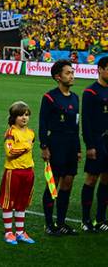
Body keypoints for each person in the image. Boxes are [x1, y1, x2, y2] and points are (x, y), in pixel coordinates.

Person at [40, 59, 81, 236]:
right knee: (53, 184)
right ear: (58, 77)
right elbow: (42, 124)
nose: (72, 76)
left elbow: (76, 125)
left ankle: (62, 222)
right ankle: (49, 224)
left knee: (68, 182)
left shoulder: (75, 98)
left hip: (72, 144)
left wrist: (79, 148)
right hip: (56, 143)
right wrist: (44, 146)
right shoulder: (49, 97)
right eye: (68, 73)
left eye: (72, 72)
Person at [0, 101, 36, 245]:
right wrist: (25, 147)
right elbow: (10, 152)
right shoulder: (11, 132)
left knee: (22, 202)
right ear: (14, 117)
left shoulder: (31, 133)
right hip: (13, 172)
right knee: (9, 202)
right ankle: (9, 232)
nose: (24, 118)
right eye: (21, 115)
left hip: (28, 171)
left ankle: (20, 232)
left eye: (26, 115)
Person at [81, 56, 108, 231]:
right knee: (91, 178)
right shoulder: (90, 92)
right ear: (100, 69)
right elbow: (86, 121)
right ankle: (86, 220)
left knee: (107, 178)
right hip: (97, 141)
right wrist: (90, 145)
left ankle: (101, 218)